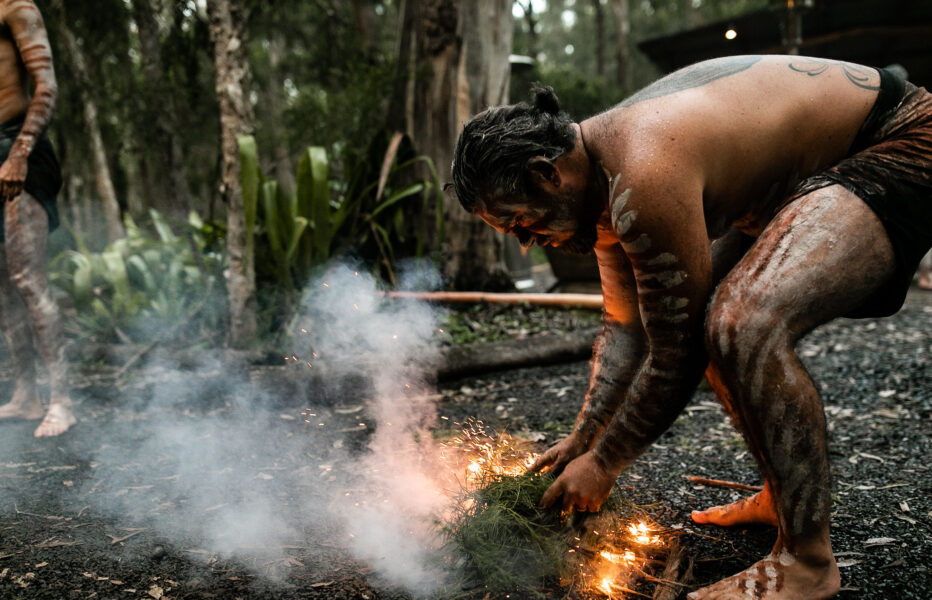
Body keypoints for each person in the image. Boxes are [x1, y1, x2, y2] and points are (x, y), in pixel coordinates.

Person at [449, 55, 932, 599]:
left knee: (741, 321)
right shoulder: (600, 185)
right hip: (807, 177)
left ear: (546, 173)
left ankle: (808, 561)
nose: (523, 242)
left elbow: (674, 352)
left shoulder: (642, 172)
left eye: (520, 220)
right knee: (713, 316)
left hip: (900, 137)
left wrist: (604, 463)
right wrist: (582, 437)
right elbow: (628, 329)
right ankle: (783, 496)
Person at [0, 0, 74, 437]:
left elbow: (47, 86)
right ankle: (26, 396)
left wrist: (21, 152)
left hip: (19, 149)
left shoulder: (16, 6)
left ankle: (62, 401)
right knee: (3, 287)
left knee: (28, 278)